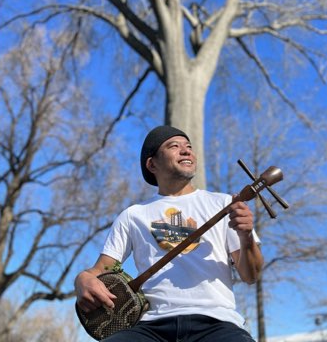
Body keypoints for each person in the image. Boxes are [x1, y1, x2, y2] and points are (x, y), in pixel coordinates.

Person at [74, 125, 264, 341]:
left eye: (189, 146)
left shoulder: (224, 204)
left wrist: (246, 236)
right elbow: (100, 270)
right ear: (152, 164)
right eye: (174, 146)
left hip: (217, 323)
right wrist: (82, 280)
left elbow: (251, 276)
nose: (186, 151)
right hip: (151, 327)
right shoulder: (133, 215)